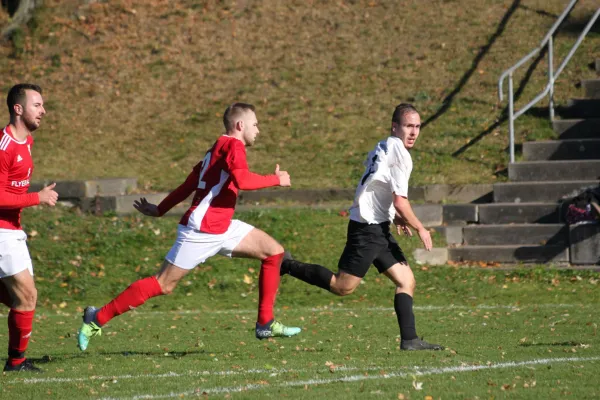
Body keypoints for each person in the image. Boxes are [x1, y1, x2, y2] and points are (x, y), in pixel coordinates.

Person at [77, 103, 301, 351]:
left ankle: (265, 323)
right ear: (240, 125)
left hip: (221, 225)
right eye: (255, 124)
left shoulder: (214, 149)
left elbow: (188, 185)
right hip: (202, 229)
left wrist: (161, 209)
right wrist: (276, 180)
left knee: (274, 252)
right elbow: (242, 180)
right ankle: (95, 318)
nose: (258, 130)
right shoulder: (233, 146)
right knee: (163, 284)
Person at [281, 103, 444, 351]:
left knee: (406, 280)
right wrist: (420, 227)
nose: (413, 132)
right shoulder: (400, 153)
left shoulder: (384, 145)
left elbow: (378, 187)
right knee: (342, 286)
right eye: (408, 126)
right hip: (367, 229)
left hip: (378, 227)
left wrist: (393, 216)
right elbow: (400, 200)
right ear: (395, 127)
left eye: (418, 127)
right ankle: (286, 265)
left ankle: (410, 340)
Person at [0, 83, 59, 372]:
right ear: (18, 108)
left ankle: (16, 361)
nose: (43, 111)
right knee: (26, 295)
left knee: (18, 297)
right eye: (37, 105)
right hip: (1, 230)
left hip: (13, 228)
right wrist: (38, 197)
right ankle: (16, 363)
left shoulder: (28, 143)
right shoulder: (5, 146)